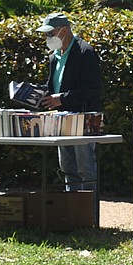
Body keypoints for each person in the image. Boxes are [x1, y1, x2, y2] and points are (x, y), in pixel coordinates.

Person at [36, 13, 104, 191]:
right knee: (67, 169)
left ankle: (90, 216)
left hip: (83, 120)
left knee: (85, 170)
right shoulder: (54, 57)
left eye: (50, 33)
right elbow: (53, 86)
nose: (47, 38)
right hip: (62, 120)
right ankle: (73, 213)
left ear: (64, 30)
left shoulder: (85, 52)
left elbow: (93, 89)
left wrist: (62, 98)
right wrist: (36, 94)